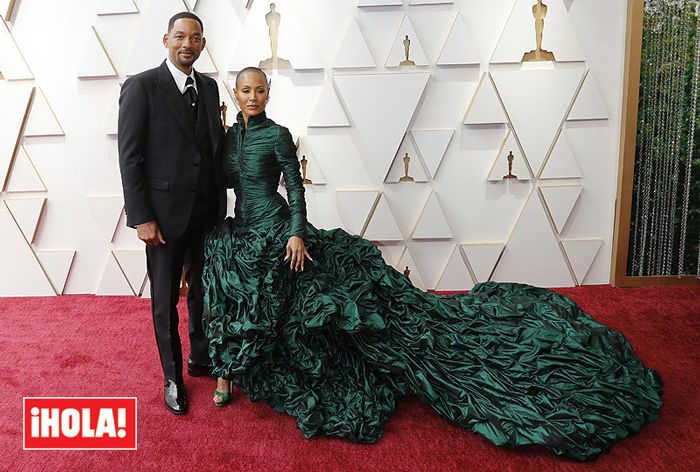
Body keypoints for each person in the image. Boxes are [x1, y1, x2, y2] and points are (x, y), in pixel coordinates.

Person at [202, 67, 663, 460]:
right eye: (246, 90)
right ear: (235, 94)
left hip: (281, 231)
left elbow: (296, 188)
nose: (254, 96)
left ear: (268, 93)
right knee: (226, 283)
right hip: (242, 231)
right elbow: (227, 182)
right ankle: (226, 376)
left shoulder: (278, 134)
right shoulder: (229, 138)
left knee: (323, 305)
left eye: (261, 89)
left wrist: (297, 232)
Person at [118, 12, 226, 415]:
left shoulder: (211, 88)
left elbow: (212, 149)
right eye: (179, 36)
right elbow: (129, 158)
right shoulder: (142, 87)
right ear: (166, 39)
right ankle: (172, 377)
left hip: (205, 213)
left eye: (195, 38)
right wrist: (141, 216)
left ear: (202, 43)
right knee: (165, 300)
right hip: (162, 218)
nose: (187, 44)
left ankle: (201, 358)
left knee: (202, 293)